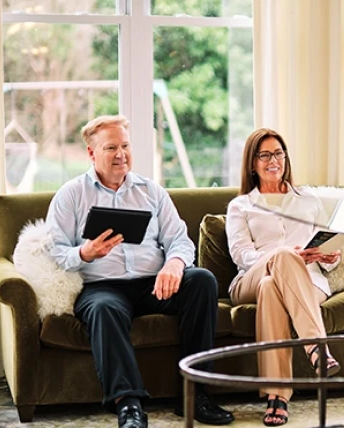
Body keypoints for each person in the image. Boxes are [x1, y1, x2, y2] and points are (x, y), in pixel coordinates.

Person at [45, 115, 234, 428]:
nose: (121, 154)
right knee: (104, 308)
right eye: (111, 147)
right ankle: (128, 405)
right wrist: (85, 252)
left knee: (201, 279)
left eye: (125, 145)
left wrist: (174, 265)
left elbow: (179, 242)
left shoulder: (151, 191)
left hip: (154, 283)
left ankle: (196, 394)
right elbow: (53, 251)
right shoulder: (71, 195)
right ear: (92, 153)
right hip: (102, 287)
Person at [225, 128, 342, 426]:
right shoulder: (240, 206)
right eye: (264, 155)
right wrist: (281, 257)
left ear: (285, 158)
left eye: (278, 153)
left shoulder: (308, 198)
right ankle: (316, 346)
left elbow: (324, 241)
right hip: (249, 279)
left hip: (307, 281)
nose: (272, 160)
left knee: (271, 288)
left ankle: (277, 398)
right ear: (252, 164)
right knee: (274, 266)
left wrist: (327, 256)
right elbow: (241, 255)